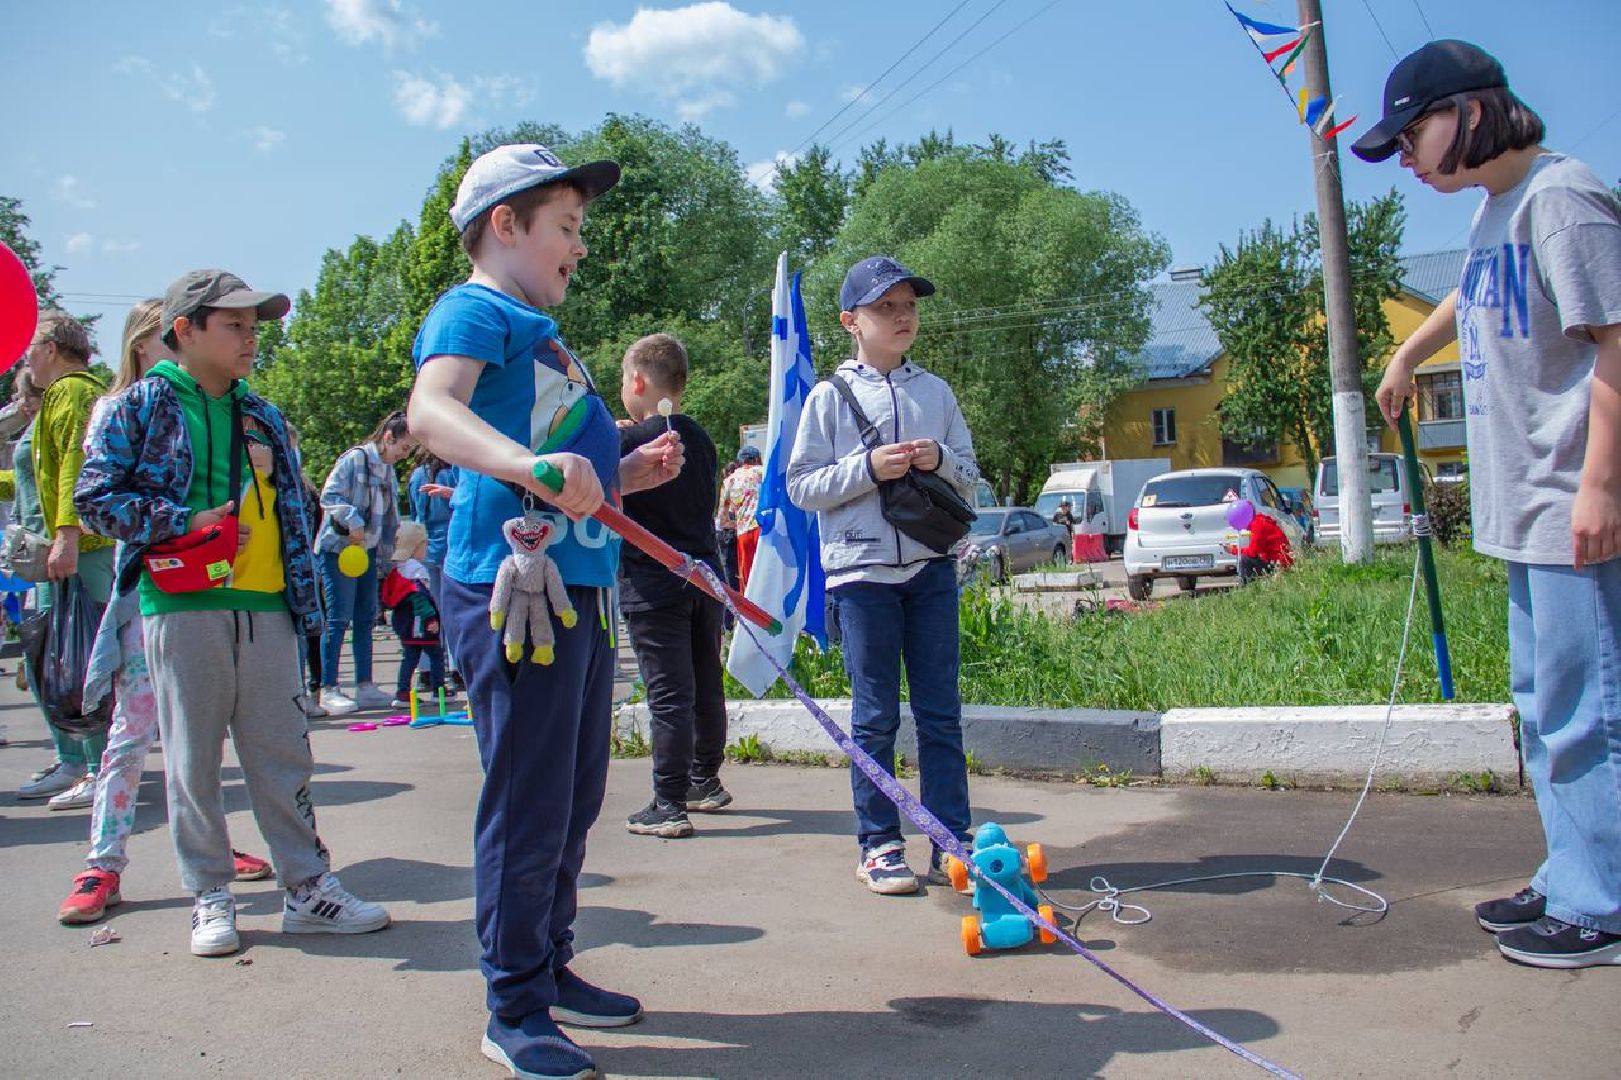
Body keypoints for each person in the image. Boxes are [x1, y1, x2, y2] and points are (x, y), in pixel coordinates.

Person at [406, 143, 683, 1079]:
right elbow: (430, 414)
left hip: (580, 591)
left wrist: (623, 476)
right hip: (515, 594)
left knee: (572, 798)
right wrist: (529, 470)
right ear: (504, 225)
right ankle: (512, 1006)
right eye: (565, 226)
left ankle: (550, 968)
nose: (579, 246)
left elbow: (562, 464)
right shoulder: (474, 308)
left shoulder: (542, 332)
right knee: (528, 802)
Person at [1357, 40, 1621, 968]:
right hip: (1524, 506)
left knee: (1584, 710)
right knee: (1543, 705)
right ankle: (1570, 869)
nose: (1407, 162)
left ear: (1466, 111)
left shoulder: (1562, 200)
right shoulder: (1494, 211)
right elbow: (1468, 299)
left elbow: (1615, 343)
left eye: (1410, 137)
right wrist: (1403, 355)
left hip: (1569, 503)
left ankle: (1604, 904)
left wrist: (1598, 488)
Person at [74, 269, 390, 958]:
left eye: (254, 328)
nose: (251, 340)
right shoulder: (140, 406)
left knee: (283, 752)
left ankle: (307, 888)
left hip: (268, 603)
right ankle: (210, 894)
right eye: (234, 326)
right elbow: (94, 499)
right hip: (182, 602)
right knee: (193, 758)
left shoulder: (264, 413)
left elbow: (297, 503)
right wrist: (184, 520)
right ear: (184, 330)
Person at [58, 299, 272, 924]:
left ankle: (209, 843)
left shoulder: (228, 407)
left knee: (201, 734)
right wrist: (181, 523)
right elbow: (97, 495)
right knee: (133, 730)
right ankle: (104, 862)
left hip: (223, 591)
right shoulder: (126, 410)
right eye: (163, 340)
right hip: (148, 595)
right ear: (153, 344)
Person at [788, 255, 980, 896]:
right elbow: (801, 486)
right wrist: (869, 468)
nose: (902, 317)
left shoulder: (936, 392)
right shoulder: (827, 398)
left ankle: (952, 839)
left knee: (940, 712)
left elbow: (971, 473)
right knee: (874, 716)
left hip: (929, 568)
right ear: (851, 322)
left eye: (910, 307)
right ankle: (879, 844)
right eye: (886, 308)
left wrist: (940, 457)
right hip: (861, 575)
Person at [616, 333, 730, 840]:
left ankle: (668, 800)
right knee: (706, 684)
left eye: (623, 380)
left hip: (652, 578)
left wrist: (620, 438)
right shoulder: (699, 438)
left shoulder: (626, 443)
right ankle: (704, 779)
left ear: (638, 380)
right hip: (704, 576)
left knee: (668, 692)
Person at [18, 310, 113, 809]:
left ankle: (97, 765)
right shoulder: (59, 396)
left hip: (80, 550)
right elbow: (44, 477)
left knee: (80, 659)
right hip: (60, 548)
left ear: (51, 347)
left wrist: (67, 534)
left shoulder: (74, 392)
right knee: (48, 657)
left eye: (30, 347)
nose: (24, 357)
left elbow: (78, 464)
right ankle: (75, 759)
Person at [315, 411, 412, 715]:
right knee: (338, 617)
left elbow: (390, 520)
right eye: (404, 448)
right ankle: (328, 688)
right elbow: (328, 496)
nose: (404, 455)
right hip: (340, 551)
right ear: (388, 437)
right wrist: (352, 520)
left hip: (367, 553)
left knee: (366, 618)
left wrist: (389, 559)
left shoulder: (388, 471)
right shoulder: (354, 459)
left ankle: (365, 685)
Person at [408, 448, 461, 693]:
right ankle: (455, 668)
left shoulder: (419, 475)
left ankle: (426, 670)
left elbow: (415, 513)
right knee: (451, 612)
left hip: (426, 548)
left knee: (428, 613)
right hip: (451, 546)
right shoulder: (455, 472)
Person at [381, 520, 445, 708]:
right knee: (435, 654)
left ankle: (402, 692)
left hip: (404, 621)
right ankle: (438, 690)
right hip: (419, 622)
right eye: (424, 545)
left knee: (410, 656)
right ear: (416, 547)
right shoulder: (416, 569)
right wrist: (431, 618)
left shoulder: (399, 568)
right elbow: (419, 596)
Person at [718, 446, 763, 589]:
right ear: (757, 459)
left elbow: (722, 519)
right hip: (766, 531)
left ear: (740, 461)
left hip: (744, 533)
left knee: (748, 581)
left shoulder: (729, 481)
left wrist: (738, 523)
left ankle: (750, 610)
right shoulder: (764, 472)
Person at [1225, 502, 1293, 585]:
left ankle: (1247, 588)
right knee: (1248, 559)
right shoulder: (1259, 521)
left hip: (1278, 563)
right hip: (1277, 560)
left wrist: (1234, 550)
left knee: (1246, 560)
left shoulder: (1258, 524)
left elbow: (1252, 552)